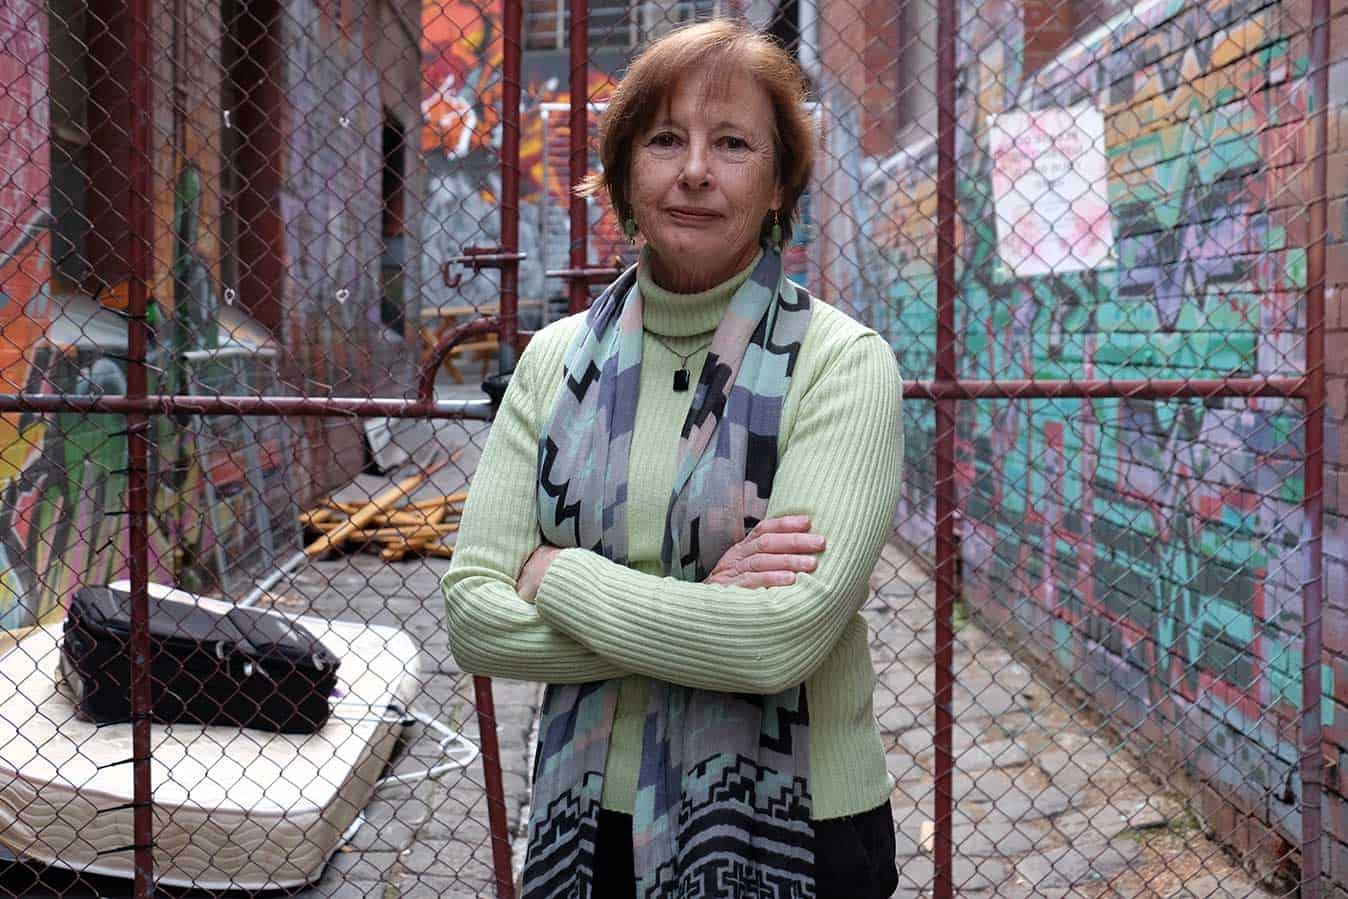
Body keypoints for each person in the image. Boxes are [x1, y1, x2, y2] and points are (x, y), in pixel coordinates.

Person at [443, 19, 903, 898]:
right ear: (624, 174)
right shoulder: (553, 362)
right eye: (664, 139)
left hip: (801, 828)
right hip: (590, 828)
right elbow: (472, 618)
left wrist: (558, 573)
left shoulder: (842, 363)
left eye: (732, 143)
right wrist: (700, 613)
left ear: (778, 183)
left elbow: (776, 642)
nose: (695, 169)